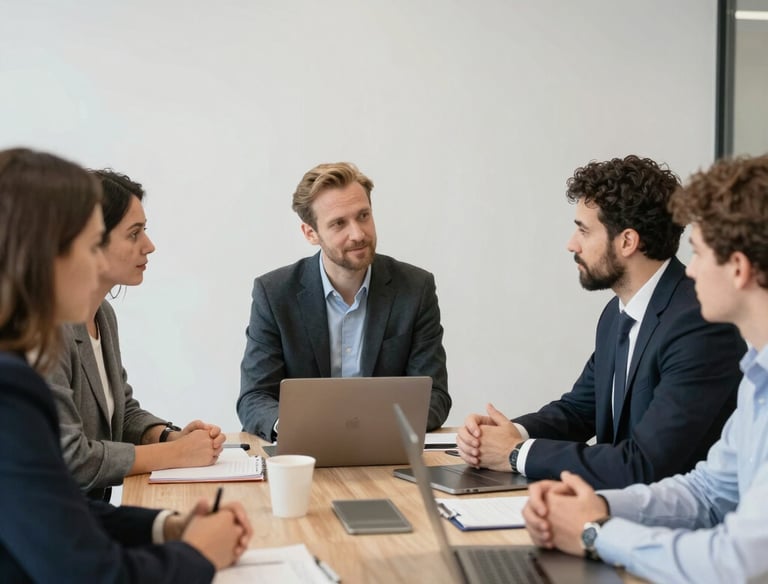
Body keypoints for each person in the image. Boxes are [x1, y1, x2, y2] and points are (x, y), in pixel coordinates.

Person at [0, 148, 251, 581]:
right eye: (90, 245)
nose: (98, 262)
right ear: (45, 253)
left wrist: (167, 526)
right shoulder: (10, 386)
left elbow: (63, 512)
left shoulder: (84, 328)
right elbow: (90, 574)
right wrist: (199, 554)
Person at [523, 154, 768, 583]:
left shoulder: (699, 329)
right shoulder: (756, 379)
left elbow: (739, 564)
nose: (688, 269)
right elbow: (707, 492)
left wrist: (596, 531)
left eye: (698, 253)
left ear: (738, 269)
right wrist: (600, 507)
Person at [457, 155, 745, 489]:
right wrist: (504, 434)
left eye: (583, 230)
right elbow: (580, 411)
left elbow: (645, 464)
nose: (571, 244)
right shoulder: (616, 314)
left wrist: (515, 453)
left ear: (627, 241)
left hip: (671, 525)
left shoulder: (700, 324)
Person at [237, 162, 451, 441]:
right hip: (304, 452)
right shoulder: (275, 293)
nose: (358, 234)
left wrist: (372, 429)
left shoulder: (415, 288)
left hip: (386, 450)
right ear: (310, 233)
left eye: (363, 216)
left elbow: (435, 395)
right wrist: (294, 429)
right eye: (339, 223)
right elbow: (254, 397)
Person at [47, 170, 225, 501]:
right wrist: (178, 455)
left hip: (91, 516)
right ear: (91, 241)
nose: (149, 246)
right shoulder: (47, 328)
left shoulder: (103, 315)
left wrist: (170, 438)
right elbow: (71, 458)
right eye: (134, 234)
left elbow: (121, 412)